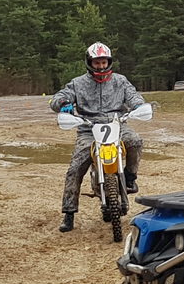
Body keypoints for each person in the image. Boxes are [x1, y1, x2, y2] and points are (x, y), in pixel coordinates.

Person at [51, 42, 145, 234]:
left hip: (117, 125)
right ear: (90, 63)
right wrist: (63, 103)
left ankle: (129, 177)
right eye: (97, 63)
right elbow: (58, 98)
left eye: (103, 62)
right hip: (88, 128)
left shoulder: (120, 81)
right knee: (75, 168)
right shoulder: (78, 83)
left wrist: (138, 106)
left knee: (135, 140)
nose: (101, 66)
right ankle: (69, 213)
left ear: (109, 62)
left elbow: (134, 96)